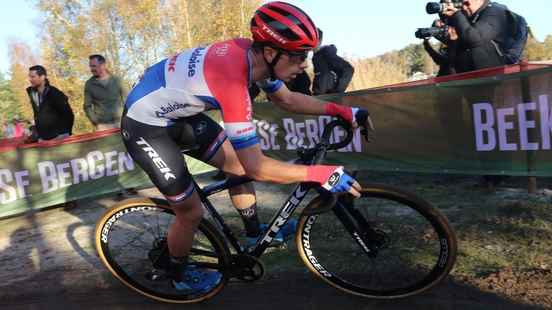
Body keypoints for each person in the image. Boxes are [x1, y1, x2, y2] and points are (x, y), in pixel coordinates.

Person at [121, 1, 373, 292]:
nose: (304, 64)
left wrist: (345, 112)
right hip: (145, 127)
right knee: (191, 212)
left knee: (241, 168)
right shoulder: (232, 80)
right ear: (270, 51)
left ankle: (253, 233)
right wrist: (319, 174)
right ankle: (174, 270)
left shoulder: (253, 56)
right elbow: (259, 166)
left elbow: (288, 100)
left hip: (178, 116)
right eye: (299, 56)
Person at [442, 0, 509, 73]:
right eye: (461, 4)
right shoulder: (465, 16)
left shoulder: (495, 12)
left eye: (467, 3)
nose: (464, 7)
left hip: (492, 76)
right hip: (467, 75)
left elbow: (474, 38)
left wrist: (457, 14)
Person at [26, 65, 74, 142]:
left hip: (59, 138)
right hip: (43, 139)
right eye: (29, 77)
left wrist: (64, 134)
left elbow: (68, 114)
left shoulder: (54, 93)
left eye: (33, 77)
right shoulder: (32, 94)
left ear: (42, 77)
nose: (30, 79)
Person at [84, 54, 126, 131]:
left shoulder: (117, 80)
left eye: (94, 66)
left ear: (103, 65)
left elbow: (126, 100)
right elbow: (87, 106)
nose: (91, 69)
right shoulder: (89, 84)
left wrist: (126, 117)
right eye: (90, 66)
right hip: (103, 126)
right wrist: (95, 121)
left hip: (121, 122)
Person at [312, 29, 354, 95]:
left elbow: (348, 69)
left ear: (319, 41)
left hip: (329, 98)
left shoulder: (327, 53)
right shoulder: (316, 56)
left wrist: (337, 92)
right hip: (319, 97)